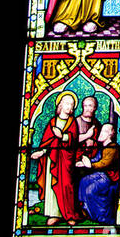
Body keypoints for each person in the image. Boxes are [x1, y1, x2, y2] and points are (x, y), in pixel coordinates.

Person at [30, 91, 80, 225]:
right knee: (52, 186)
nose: (70, 107)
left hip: (66, 160)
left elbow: (74, 140)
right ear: (60, 105)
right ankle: (54, 214)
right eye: (67, 103)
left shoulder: (73, 122)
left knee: (66, 185)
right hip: (52, 160)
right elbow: (47, 141)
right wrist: (41, 152)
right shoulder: (52, 122)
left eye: (72, 104)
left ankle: (69, 214)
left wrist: (62, 136)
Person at [76, 122, 120, 224]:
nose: (101, 133)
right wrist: (84, 163)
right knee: (83, 181)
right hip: (101, 174)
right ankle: (85, 209)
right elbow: (96, 159)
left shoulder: (113, 148)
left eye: (104, 131)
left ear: (110, 134)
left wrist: (90, 165)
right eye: (102, 130)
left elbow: (104, 163)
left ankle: (99, 216)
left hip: (109, 177)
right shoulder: (103, 147)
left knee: (89, 191)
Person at [74, 96, 101, 161]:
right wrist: (87, 135)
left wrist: (94, 143)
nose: (87, 108)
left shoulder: (97, 124)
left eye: (90, 106)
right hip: (75, 157)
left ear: (95, 108)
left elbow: (101, 141)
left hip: (92, 158)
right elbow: (71, 140)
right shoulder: (76, 122)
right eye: (85, 106)